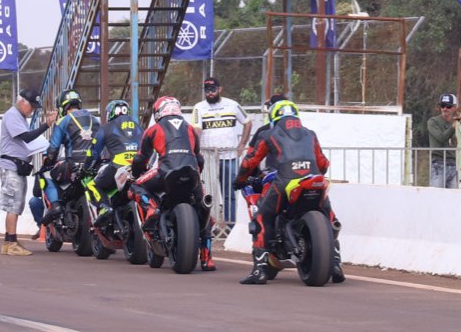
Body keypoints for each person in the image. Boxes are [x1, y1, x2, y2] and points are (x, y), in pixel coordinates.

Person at [235, 100, 345, 284]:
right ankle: (335, 264)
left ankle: (259, 270)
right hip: (314, 179)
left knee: (262, 218)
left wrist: (240, 179)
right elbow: (323, 163)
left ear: (273, 117)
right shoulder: (310, 134)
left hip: (284, 181)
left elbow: (250, 161)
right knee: (330, 218)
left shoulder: (269, 134)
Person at [131, 96, 216, 271]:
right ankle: (207, 259)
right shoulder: (191, 129)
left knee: (135, 187)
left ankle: (152, 207)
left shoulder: (153, 129)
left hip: (165, 171)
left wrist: (136, 173)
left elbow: (141, 159)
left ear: (158, 112)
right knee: (204, 212)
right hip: (192, 173)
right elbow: (199, 159)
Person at [0, 89, 56, 256]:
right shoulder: (12, 115)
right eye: (31, 106)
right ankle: (10, 242)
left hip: (18, 166)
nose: (32, 110)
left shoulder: (20, 117)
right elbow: (27, 137)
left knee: (16, 204)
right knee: (13, 205)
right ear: (22, 101)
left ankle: (10, 242)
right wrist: (46, 124)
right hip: (11, 166)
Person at [191, 77, 252, 230]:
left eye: (212, 90)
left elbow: (247, 122)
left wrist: (242, 144)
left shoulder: (232, 105)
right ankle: (208, 226)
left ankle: (231, 225)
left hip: (229, 155)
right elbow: (197, 130)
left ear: (220, 89)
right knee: (208, 192)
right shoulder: (199, 107)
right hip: (208, 156)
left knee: (230, 193)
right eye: (207, 90)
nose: (210, 93)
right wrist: (195, 148)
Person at [40, 89, 100, 224]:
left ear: (62, 106)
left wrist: (47, 161)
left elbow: (53, 150)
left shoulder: (63, 121)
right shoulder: (95, 120)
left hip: (72, 166)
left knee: (46, 174)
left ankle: (55, 206)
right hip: (94, 166)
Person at [81, 99, 143, 227]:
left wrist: (86, 168)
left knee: (92, 185)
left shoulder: (107, 127)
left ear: (111, 113)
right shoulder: (138, 126)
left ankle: (104, 207)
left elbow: (93, 151)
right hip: (139, 166)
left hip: (118, 165)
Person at [427, 93, 461, 189]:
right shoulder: (432, 121)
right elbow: (441, 137)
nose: (445, 109)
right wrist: (454, 127)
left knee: (454, 199)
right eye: (442, 106)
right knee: (436, 196)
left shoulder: (457, 122)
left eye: (448, 106)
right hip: (438, 164)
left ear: (454, 108)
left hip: (454, 165)